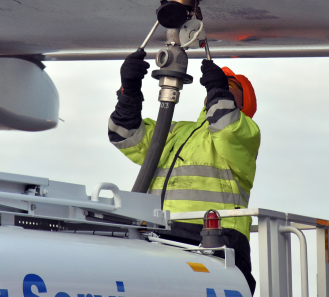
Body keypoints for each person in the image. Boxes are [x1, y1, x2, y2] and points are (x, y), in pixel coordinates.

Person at [108, 50, 260, 294]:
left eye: (231, 87)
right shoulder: (177, 131)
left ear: (244, 103)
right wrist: (130, 91)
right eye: (222, 85)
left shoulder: (246, 132)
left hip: (217, 241)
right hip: (162, 236)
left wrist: (218, 91)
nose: (222, 90)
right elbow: (124, 135)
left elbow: (227, 127)